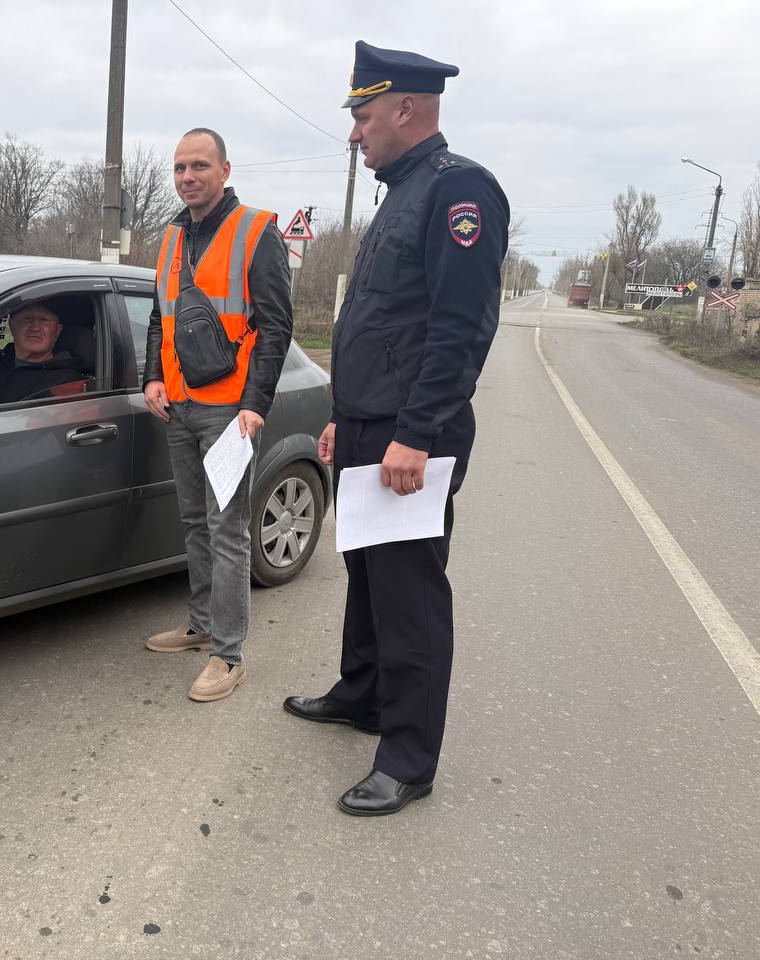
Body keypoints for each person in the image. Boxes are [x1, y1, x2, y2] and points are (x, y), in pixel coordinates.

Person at [282, 42, 509, 816]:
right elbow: (382, 325)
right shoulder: (401, 193)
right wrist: (347, 423)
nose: (355, 133)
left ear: (406, 110)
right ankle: (364, 695)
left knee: (408, 590)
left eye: (363, 116)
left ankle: (409, 757)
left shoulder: (458, 192)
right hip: (371, 428)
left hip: (415, 434)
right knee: (367, 574)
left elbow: (459, 329)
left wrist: (414, 432)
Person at [142, 127, 293, 703]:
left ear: (225, 170)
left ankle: (228, 656)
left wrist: (255, 404)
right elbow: (162, 318)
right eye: (180, 168)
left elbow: (275, 326)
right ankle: (201, 625)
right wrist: (151, 377)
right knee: (192, 522)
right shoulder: (172, 237)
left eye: (199, 166)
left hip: (230, 413)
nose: (188, 177)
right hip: (178, 407)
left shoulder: (256, 232)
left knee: (226, 532)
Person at [0, 302, 87, 403]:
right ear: (11, 326)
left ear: (57, 331)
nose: (35, 328)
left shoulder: (69, 383)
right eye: (27, 319)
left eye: (44, 320)